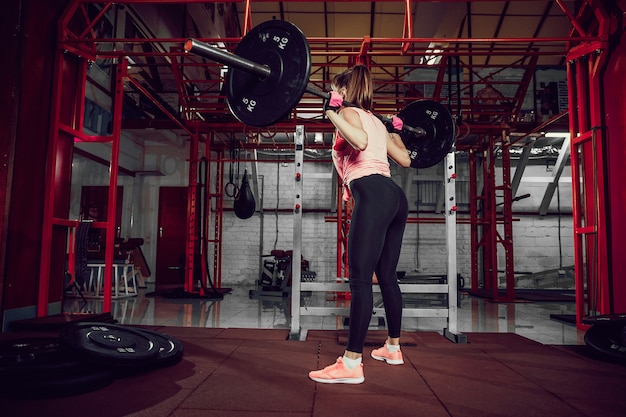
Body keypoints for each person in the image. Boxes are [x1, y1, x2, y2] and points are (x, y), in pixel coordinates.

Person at [308, 65, 411, 384]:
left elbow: (361, 142)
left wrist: (332, 113)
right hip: (394, 196)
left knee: (360, 280)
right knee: (387, 276)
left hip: (374, 193)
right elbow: (405, 159)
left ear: (345, 92)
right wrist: (395, 131)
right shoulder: (377, 122)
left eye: (336, 90)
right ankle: (393, 347)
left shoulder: (349, 113)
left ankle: (351, 364)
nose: (333, 95)